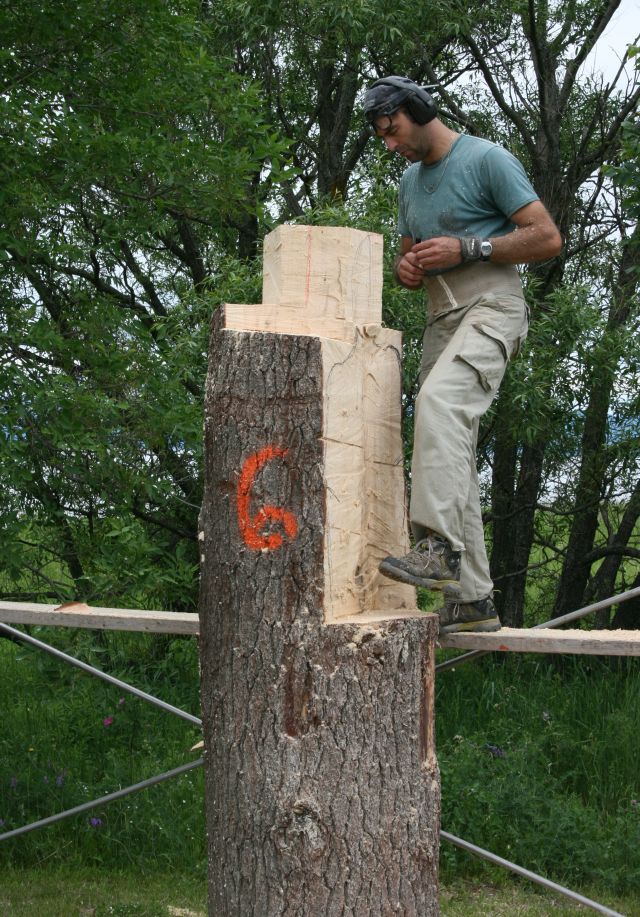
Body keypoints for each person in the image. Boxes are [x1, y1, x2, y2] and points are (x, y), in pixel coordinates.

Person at [363, 76, 562, 634]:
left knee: (441, 404)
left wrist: (470, 245)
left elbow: (546, 238)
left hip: (492, 305)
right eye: (382, 136)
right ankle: (473, 600)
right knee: (449, 442)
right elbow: (409, 259)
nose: (390, 144)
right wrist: (405, 270)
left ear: (420, 110)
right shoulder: (408, 182)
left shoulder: (486, 160)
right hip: (439, 317)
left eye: (393, 130)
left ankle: (436, 547)